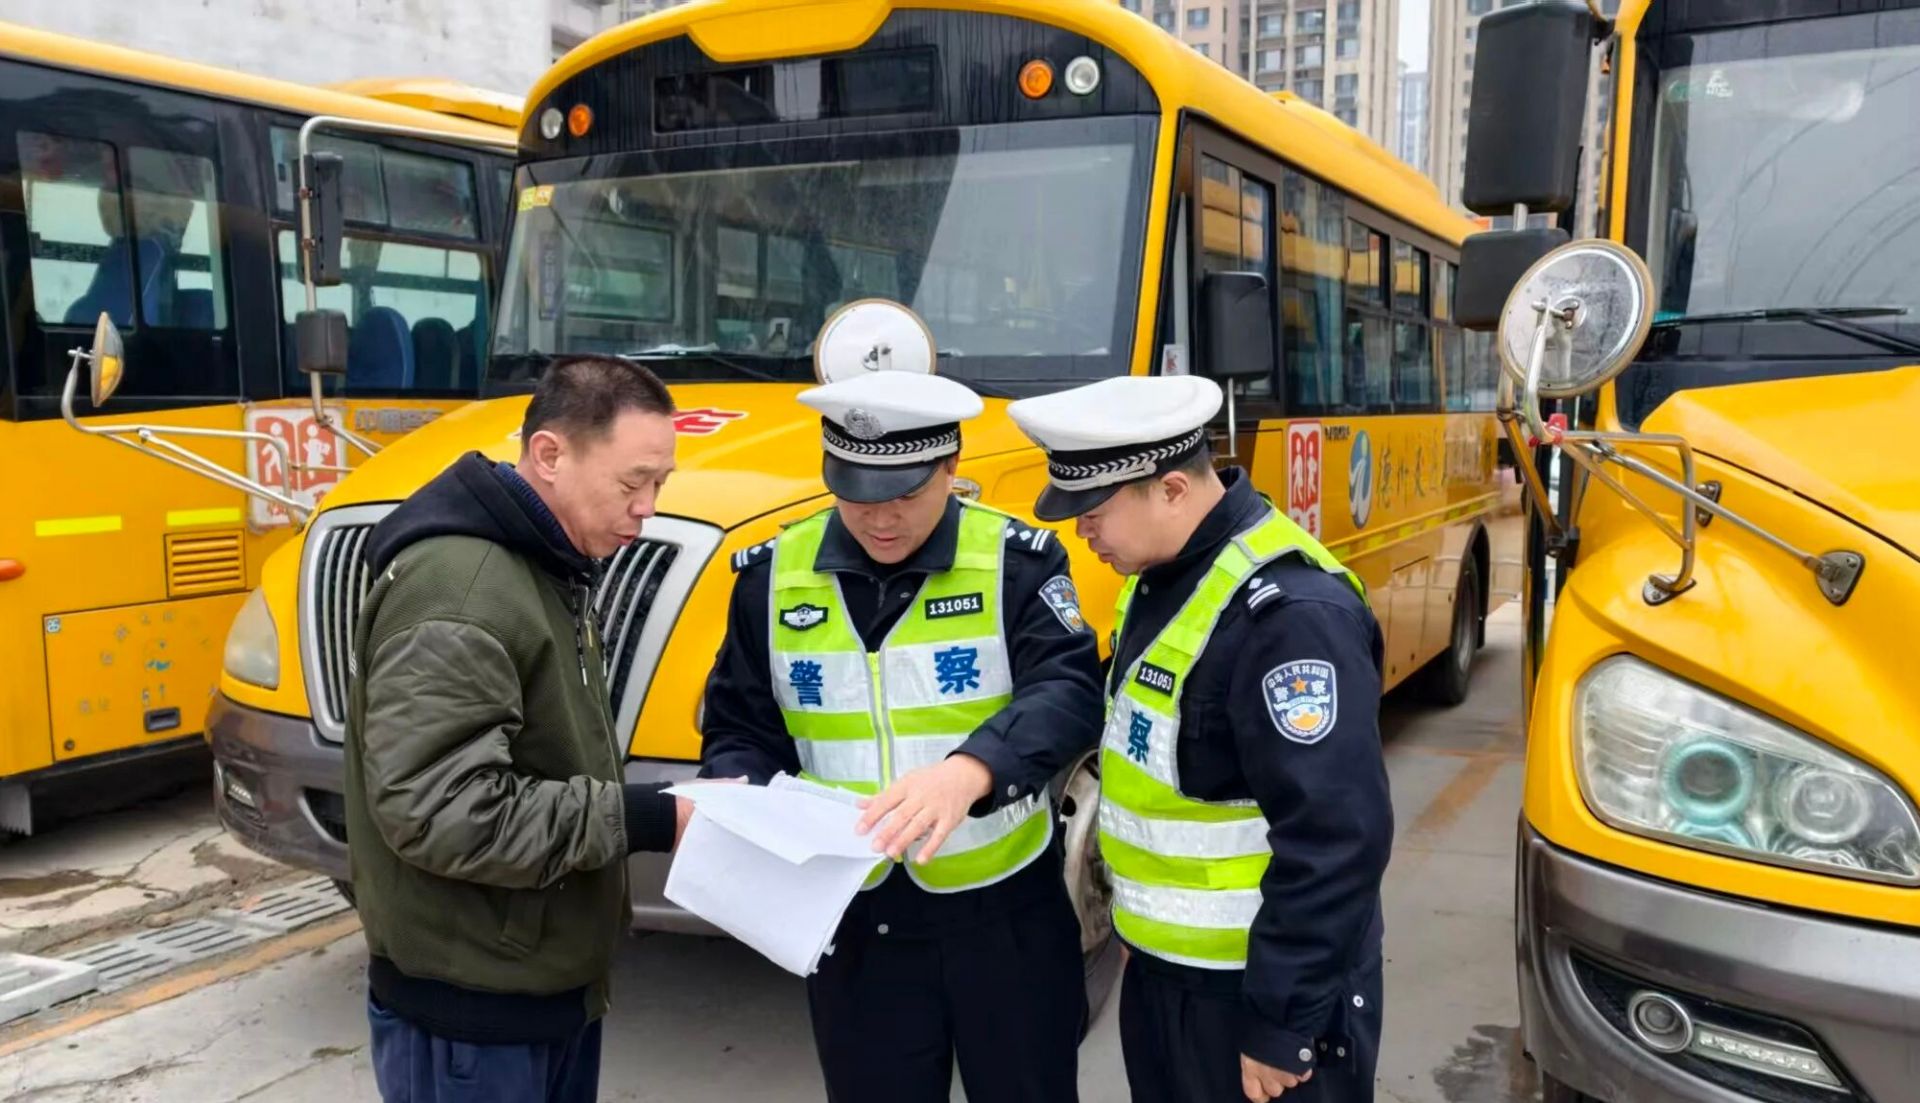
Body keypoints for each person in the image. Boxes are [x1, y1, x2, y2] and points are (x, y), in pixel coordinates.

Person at [700, 354, 1104, 1103]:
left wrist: (972, 769)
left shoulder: (1016, 563)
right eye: (856, 493)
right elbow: (740, 724)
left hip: (1003, 911)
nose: (880, 518)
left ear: (951, 467)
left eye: (905, 493)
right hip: (853, 918)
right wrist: (744, 795)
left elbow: (1069, 691)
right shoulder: (770, 576)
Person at [1008, 375, 1394, 1103]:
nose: (1082, 532)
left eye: (1094, 512)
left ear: (1173, 489)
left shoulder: (1290, 618)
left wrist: (1282, 1022)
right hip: (1167, 979)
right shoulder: (1162, 576)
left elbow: (1337, 839)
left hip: (1259, 996)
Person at [343, 355, 693, 1103]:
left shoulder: (545, 564)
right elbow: (439, 810)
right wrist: (648, 816)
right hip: (471, 1016)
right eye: (633, 482)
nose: (647, 509)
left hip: (533, 986)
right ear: (549, 454)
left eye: (660, 484)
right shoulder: (466, 591)